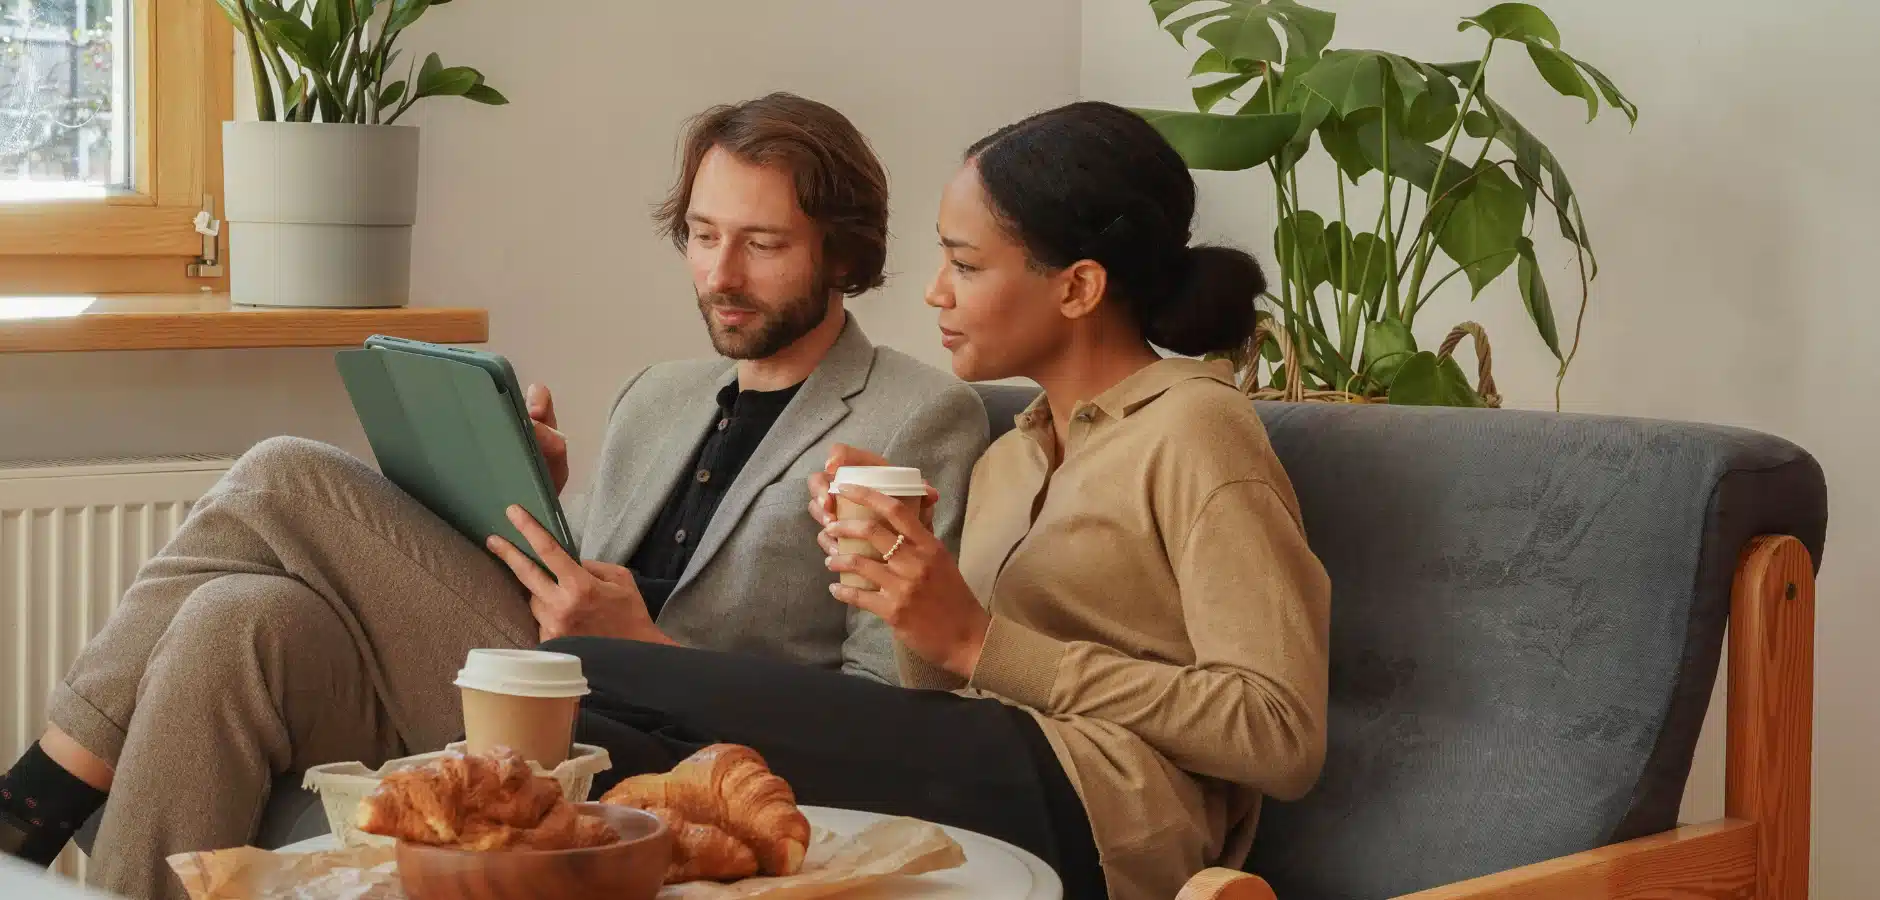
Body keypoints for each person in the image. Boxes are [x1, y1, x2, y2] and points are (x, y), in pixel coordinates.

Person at [0, 92, 989, 900]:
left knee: (280, 472)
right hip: (534, 687)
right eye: (699, 234)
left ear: (845, 255)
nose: (719, 275)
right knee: (238, 615)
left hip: (653, 738)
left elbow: (887, 716)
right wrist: (524, 505)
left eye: (762, 245)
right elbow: (571, 597)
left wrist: (648, 650)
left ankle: (32, 801)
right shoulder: (663, 395)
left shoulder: (919, 414)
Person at [526, 100, 1331, 900]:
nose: (935, 294)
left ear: (1079, 287)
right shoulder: (1015, 450)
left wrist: (981, 641)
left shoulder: (1197, 428)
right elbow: (935, 699)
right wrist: (902, 581)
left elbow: (1281, 735)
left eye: (968, 266)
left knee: (584, 670)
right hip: (978, 775)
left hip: (1107, 812)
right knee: (572, 740)